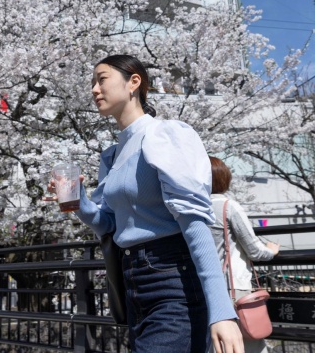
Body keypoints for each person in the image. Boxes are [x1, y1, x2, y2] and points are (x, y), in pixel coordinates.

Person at [46, 54, 243, 353]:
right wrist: (79, 200)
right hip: (133, 282)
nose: (94, 90)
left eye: (102, 80)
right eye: (93, 83)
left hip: (173, 279)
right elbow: (108, 223)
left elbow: (193, 222)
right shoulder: (111, 155)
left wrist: (222, 311)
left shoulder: (165, 135)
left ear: (133, 82)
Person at [208, 156, 280, 353]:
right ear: (224, 178)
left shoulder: (192, 209)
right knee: (249, 343)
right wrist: (271, 251)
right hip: (234, 288)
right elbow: (255, 250)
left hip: (206, 289)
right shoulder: (227, 206)